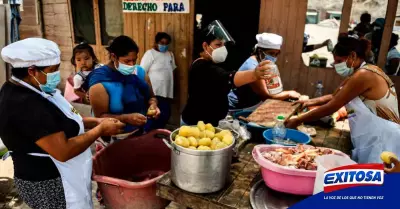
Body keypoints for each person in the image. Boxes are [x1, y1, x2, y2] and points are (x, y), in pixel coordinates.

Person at [0, 38, 125, 209]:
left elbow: (64, 120)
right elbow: (63, 151)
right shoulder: (24, 104)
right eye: (52, 70)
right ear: (32, 71)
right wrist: (99, 130)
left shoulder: (35, 89)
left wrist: (96, 121)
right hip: (48, 183)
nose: (56, 74)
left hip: (62, 176)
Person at [285, 35, 400, 164]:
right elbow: (335, 96)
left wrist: (298, 120)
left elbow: (332, 106)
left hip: (383, 139)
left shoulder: (364, 75)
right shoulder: (360, 72)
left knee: (377, 180)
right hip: (373, 136)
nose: (335, 65)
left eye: (339, 60)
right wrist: (308, 102)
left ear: (352, 56)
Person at [181, 28, 273, 126]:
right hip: (195, 125)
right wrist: (254, 74)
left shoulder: (210, 63)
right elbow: (228, 78)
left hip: (207, 123)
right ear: (205, 46)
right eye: (218, 45)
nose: (222, 48)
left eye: (223, 45)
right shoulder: (201, 67)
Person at [88, 35, 160, 140]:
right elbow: (100, 117)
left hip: (139, 132)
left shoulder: (139, 72)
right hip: (114, 138)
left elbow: (151, 96)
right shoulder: (100, 82)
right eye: (127, 61)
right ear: (113, 57)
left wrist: (153, 105)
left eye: (134, 60)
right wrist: (125, 118)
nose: (131, 65)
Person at [228, 33, 301, 110]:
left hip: (251, 104)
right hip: (237, 108)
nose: (273, 57)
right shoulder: (252, 67)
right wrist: (289, 94)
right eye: (271, 53)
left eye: (276, 54)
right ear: (259, 51)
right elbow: (266, 96)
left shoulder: (264, 64)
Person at [140, 32, 176, 128]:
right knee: (155, 115)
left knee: (165, 114)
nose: (164, 45)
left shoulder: (170, 54)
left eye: (166, 43)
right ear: (156, 43)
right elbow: (142, 72)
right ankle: (150, 134)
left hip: (167, 92)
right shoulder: (150, 54)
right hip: (155, 92)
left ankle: (158, 133)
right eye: (161, 43)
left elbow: (171, 70)